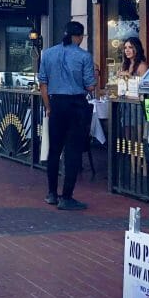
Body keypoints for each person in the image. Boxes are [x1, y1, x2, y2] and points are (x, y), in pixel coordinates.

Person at [38, 20, 95, 211]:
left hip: (55, 103)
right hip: (75, 104)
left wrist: (48, 106)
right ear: (79, 36)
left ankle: (51, 193)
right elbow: (89, 86)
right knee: (72, 151)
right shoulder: (84, 56)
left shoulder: (48, 53)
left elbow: (43, 83)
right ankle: (67, 196)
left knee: (54, 149)